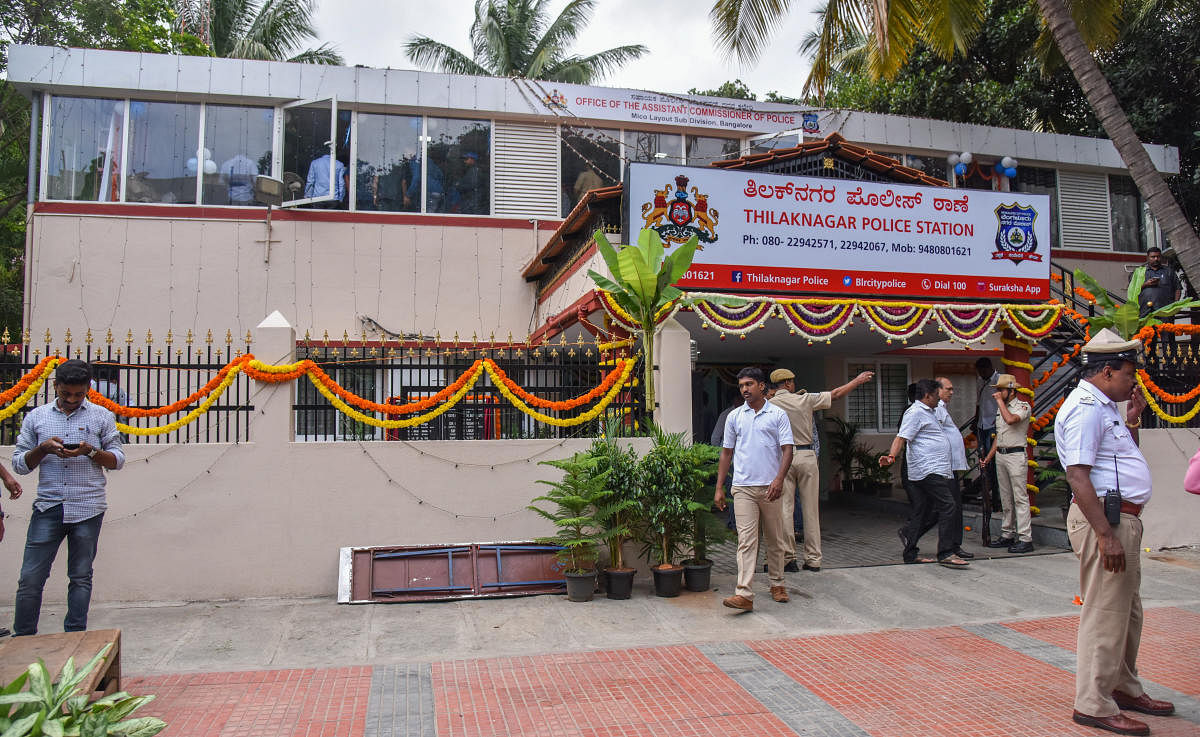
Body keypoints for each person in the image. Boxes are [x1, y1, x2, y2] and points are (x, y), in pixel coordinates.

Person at [1055, 329, 1177, 735]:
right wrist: (1106, 534)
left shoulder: (1105, 406)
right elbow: (1077, 474)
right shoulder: (1086, 409)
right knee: (1105, 614)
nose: (1133, 380)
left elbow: (1121, 461)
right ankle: (1092, 702)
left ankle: (1122, 686)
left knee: (1128, 612)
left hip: (1120, 518)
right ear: (1107, 371)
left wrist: (1133, 422)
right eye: (1129, 373)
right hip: (1104, 522)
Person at [10, 359, 125, 636]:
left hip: (88, 507)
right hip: (48, 505)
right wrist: (43, 449)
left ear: (88, 388)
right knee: (30, 578)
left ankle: (75, 636)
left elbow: (118, 460)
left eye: (78, 394)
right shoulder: (37, 417)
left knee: (81, 577)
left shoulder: (101, 416)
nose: (72, 400)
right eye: (65, 394)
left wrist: (90, 451)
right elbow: (19, 464)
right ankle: (23, 637)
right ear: (55, 386)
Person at [769, 367, 874, 573]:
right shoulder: (805, 399)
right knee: (810, 510)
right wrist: (857, 381)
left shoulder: (769, 405)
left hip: (782, 458)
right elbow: (835, 394)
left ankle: (788, 558)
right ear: (789, 383)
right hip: (806, 455)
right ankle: (813, 559)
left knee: (785, 510)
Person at [714, 367, 794, 611]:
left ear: (762, 386)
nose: (745, 389)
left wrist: (779, 480)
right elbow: (726, 452)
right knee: (746, 541)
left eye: (749, 384)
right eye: (741, 386)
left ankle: (777, 583)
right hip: (743, 488)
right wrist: (719, 487)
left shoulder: (778, 414)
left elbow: (788, 449)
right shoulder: (735, 416)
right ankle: (744, 594)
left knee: (775, 539)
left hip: (771, 488)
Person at [881, 378, 970, 569]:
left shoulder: (929, 412)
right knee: (948, 505)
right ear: (928, 395)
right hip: (927, 469)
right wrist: (891, 456)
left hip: (933, 469)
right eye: (937, 395)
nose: (940, 398)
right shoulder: (915, 413)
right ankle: (946, 552)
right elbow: (901, 437)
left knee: (924, 509)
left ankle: (910, 554)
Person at [980, 374, 1035, 553]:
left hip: (1016, 455)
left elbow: (1011, 420)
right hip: (1002, 455)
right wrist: (988, 457)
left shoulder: (1022, 406)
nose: (997, 392)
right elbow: (999, 435)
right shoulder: (1001, 408)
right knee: (1005, 498)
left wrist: (1000, 403)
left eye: (1001, 389)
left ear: (1011, 391)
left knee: (1020, 497)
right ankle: (1007, 534)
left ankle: (1025, 538)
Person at [935, 377, 973, 561]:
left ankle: (953, 545)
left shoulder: (942, 409)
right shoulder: (936, 409)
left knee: (953, 507)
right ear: (938, 390)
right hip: (945, 467)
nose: (952, 392)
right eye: (948, 389)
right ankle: (949, 547)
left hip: (951, 466)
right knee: (951, 507)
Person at [973, 357, 1000, 499]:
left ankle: (995, 493)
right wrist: (975, 419)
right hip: (981, 424)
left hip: (993, 424)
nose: (981, 374)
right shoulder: (979, 381)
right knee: (982, 457)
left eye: (983, 371)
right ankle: (986, 488)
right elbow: (978, 402)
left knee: (992, 459)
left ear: (989, 368)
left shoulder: (999, 380)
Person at [1132, 246, 1180, 319]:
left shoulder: (1169, 271)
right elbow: (1132, 291)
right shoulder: (1140, 272)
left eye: (1158, 257)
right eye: (1153, 257)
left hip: (1166, 311)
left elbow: (1178, 288)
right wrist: (1146, 284)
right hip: (1145, 311)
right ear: (1147, 258)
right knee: (1147, 330)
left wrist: (1175, 304)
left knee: (1166, 330)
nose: (1156, 259)